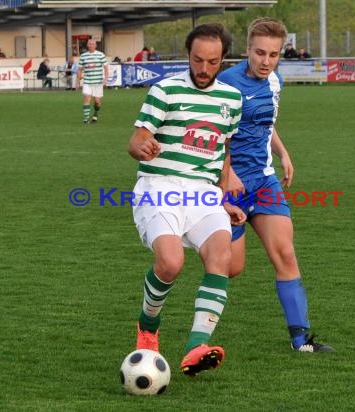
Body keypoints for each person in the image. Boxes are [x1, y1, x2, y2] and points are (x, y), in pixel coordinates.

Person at [128, 23, 245, 376]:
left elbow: (223, 150)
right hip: (159, 185)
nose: (204, 69)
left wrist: (223, 195)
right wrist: (140, 147)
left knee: (220, 256)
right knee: (170, 263)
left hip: (205, 194)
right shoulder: (165, 90)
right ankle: (148, 324)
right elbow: (137, 138)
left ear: (224, 59)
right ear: (188, 56)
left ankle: (197, 347)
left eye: (212, 61)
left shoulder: (232, 99)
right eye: (197, 60)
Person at [217, 17, 334, 352]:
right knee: (231, 267)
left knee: (285, 253)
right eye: (259, 53)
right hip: (230, 187)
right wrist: (227, 174)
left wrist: (283, 152)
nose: (266, 61)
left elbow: (266, 125)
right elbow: (212, 134)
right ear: (247, 50)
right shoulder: (226, 83)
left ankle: (301, 340)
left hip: (265, 181)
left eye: (273, 54)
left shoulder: (275, 82)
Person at [76, 39, 109, 124]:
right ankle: (86, 119)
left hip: (98, 82)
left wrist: (106, 79)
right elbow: (79, 69)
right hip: (87, 82)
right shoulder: (83, 56)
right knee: (87, 98)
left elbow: (106, 68)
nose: (91, 45)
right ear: (87, 45)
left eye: (93, 44)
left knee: (97, 102)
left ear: (95, 45)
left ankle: (95, 114)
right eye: (89, 44)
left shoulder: (101, 55)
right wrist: (77, 81)